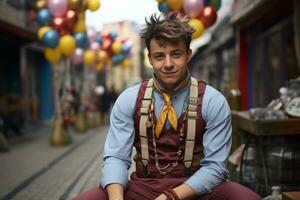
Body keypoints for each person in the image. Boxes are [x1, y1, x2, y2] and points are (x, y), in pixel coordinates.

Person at [74, 13, 262, 200]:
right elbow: (116, 158)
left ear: (188, 54)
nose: (168, 64)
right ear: (149, 58)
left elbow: (215, 167)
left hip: (197, 189)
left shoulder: (213, 101)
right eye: (159, 56)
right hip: (143, 188)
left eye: (176, 54)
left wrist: (170, 197)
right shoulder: (129, 99)